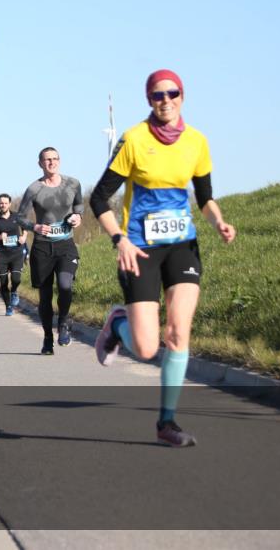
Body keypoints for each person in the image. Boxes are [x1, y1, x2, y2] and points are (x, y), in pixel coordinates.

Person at [90, 69, 235, 447]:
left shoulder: (197, 142)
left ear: (182, 97)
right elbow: (98, 198)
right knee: (146, 348)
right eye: (157, 95)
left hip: (182, 246)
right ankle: (117, 324)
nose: (165, 100)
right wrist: (119, 239)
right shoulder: (134, 139)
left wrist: (218, 222)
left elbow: (204, 197)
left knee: (178, 332)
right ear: (149, 100)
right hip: (139, 248)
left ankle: (166, 423)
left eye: (172, 93)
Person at [17, 147, 84, 353]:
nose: (52, 163)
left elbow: (79, 207)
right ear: (40, 163)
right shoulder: (34, 189)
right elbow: (19, 217)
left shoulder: (73, 183)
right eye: (47, 160)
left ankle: (63, 322)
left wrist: (77, 218)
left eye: (55, 159)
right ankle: (47, 338)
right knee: (45, 297)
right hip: (42, 247)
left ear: (60, 161)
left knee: (65, 285)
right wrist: (34, 227)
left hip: (65, 244)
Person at [0, 194, 27, 319]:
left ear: (9, 204)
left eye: (5, 203)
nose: (3, 205)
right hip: (2, 254)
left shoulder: (17, 217)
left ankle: (14, 291)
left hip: (16, 252)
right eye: (1, 203)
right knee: (3, 283)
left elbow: (25, 228)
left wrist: (23, 237)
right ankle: (8, 306)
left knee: (16, 279)